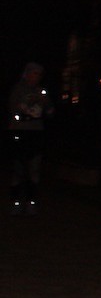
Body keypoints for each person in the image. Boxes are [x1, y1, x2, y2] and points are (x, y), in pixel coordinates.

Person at [8, 62, 54, 215]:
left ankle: (31, 201)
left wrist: (45, 103)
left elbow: (50, 112)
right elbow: (13, 109)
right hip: (20, 131)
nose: (37, 77)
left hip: (36, 132)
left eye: (39, 74)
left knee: (34, 168)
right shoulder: (18, 90)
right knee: (18, 168)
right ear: (27, 74)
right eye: (34, 73)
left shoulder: (42, 91)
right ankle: (16, 201)